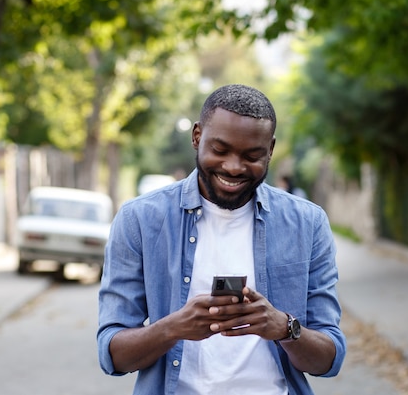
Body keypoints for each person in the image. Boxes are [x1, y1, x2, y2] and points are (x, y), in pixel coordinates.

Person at [97, 84, 346, 395]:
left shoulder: (307, 223)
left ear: (270, 150)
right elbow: (112, 355)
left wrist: (285, 327)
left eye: (252, 155)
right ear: (197, 136)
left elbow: (329, 359)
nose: (233, 166)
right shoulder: (140, 219)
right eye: (220, 149)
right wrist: (173, 327)